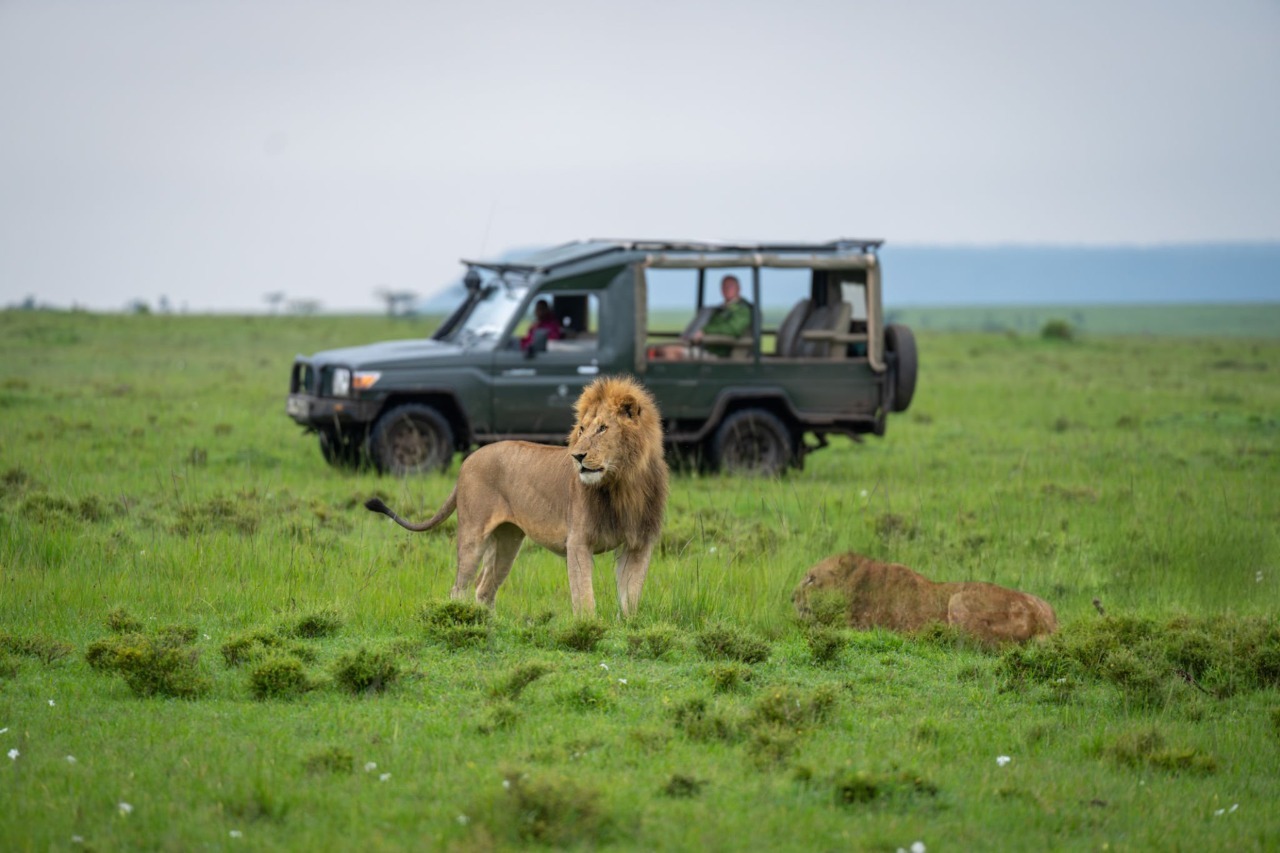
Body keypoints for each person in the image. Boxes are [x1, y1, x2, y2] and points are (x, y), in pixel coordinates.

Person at [653, 275, 753, 360]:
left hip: (718, 353)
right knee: (658, 349)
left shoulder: (742, 310)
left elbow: (733, 329)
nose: (726, 290)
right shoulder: (720, 309)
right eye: (724, 287)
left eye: (730, 286)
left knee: (671, 351)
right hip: (705, 346)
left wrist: (705, 331)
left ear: (738, 288)